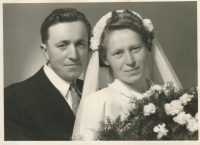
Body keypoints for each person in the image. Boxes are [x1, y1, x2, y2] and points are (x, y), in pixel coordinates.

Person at [72, 9, 182, 140]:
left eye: (135, 48)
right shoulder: (99, 102)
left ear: (147, 48)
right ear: (106, 59)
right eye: (118, 53)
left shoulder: (169, 98)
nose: (130, 61)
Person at [4, 8, 91, 140]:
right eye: (63, 45)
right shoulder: (11, 99)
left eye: (80, 44)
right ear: (45, 51)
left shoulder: (95, 92)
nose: (74, 55)